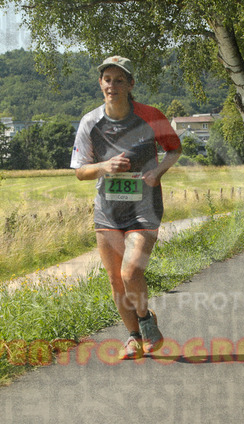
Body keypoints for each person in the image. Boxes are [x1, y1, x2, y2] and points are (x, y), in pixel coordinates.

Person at [70, 56, 182, 359]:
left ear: (131, 84)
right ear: (100, 83)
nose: (112, 85)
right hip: (107, 211)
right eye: (107, 79)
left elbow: (174, 148)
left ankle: (145, 320)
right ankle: (133, 337)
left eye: (119, 80)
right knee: (116, 280)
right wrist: (104, 166)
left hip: (144, 208)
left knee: (131, 272)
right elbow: (80, 171)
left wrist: (157, 172)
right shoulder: (90, 122)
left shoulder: (150, 116)